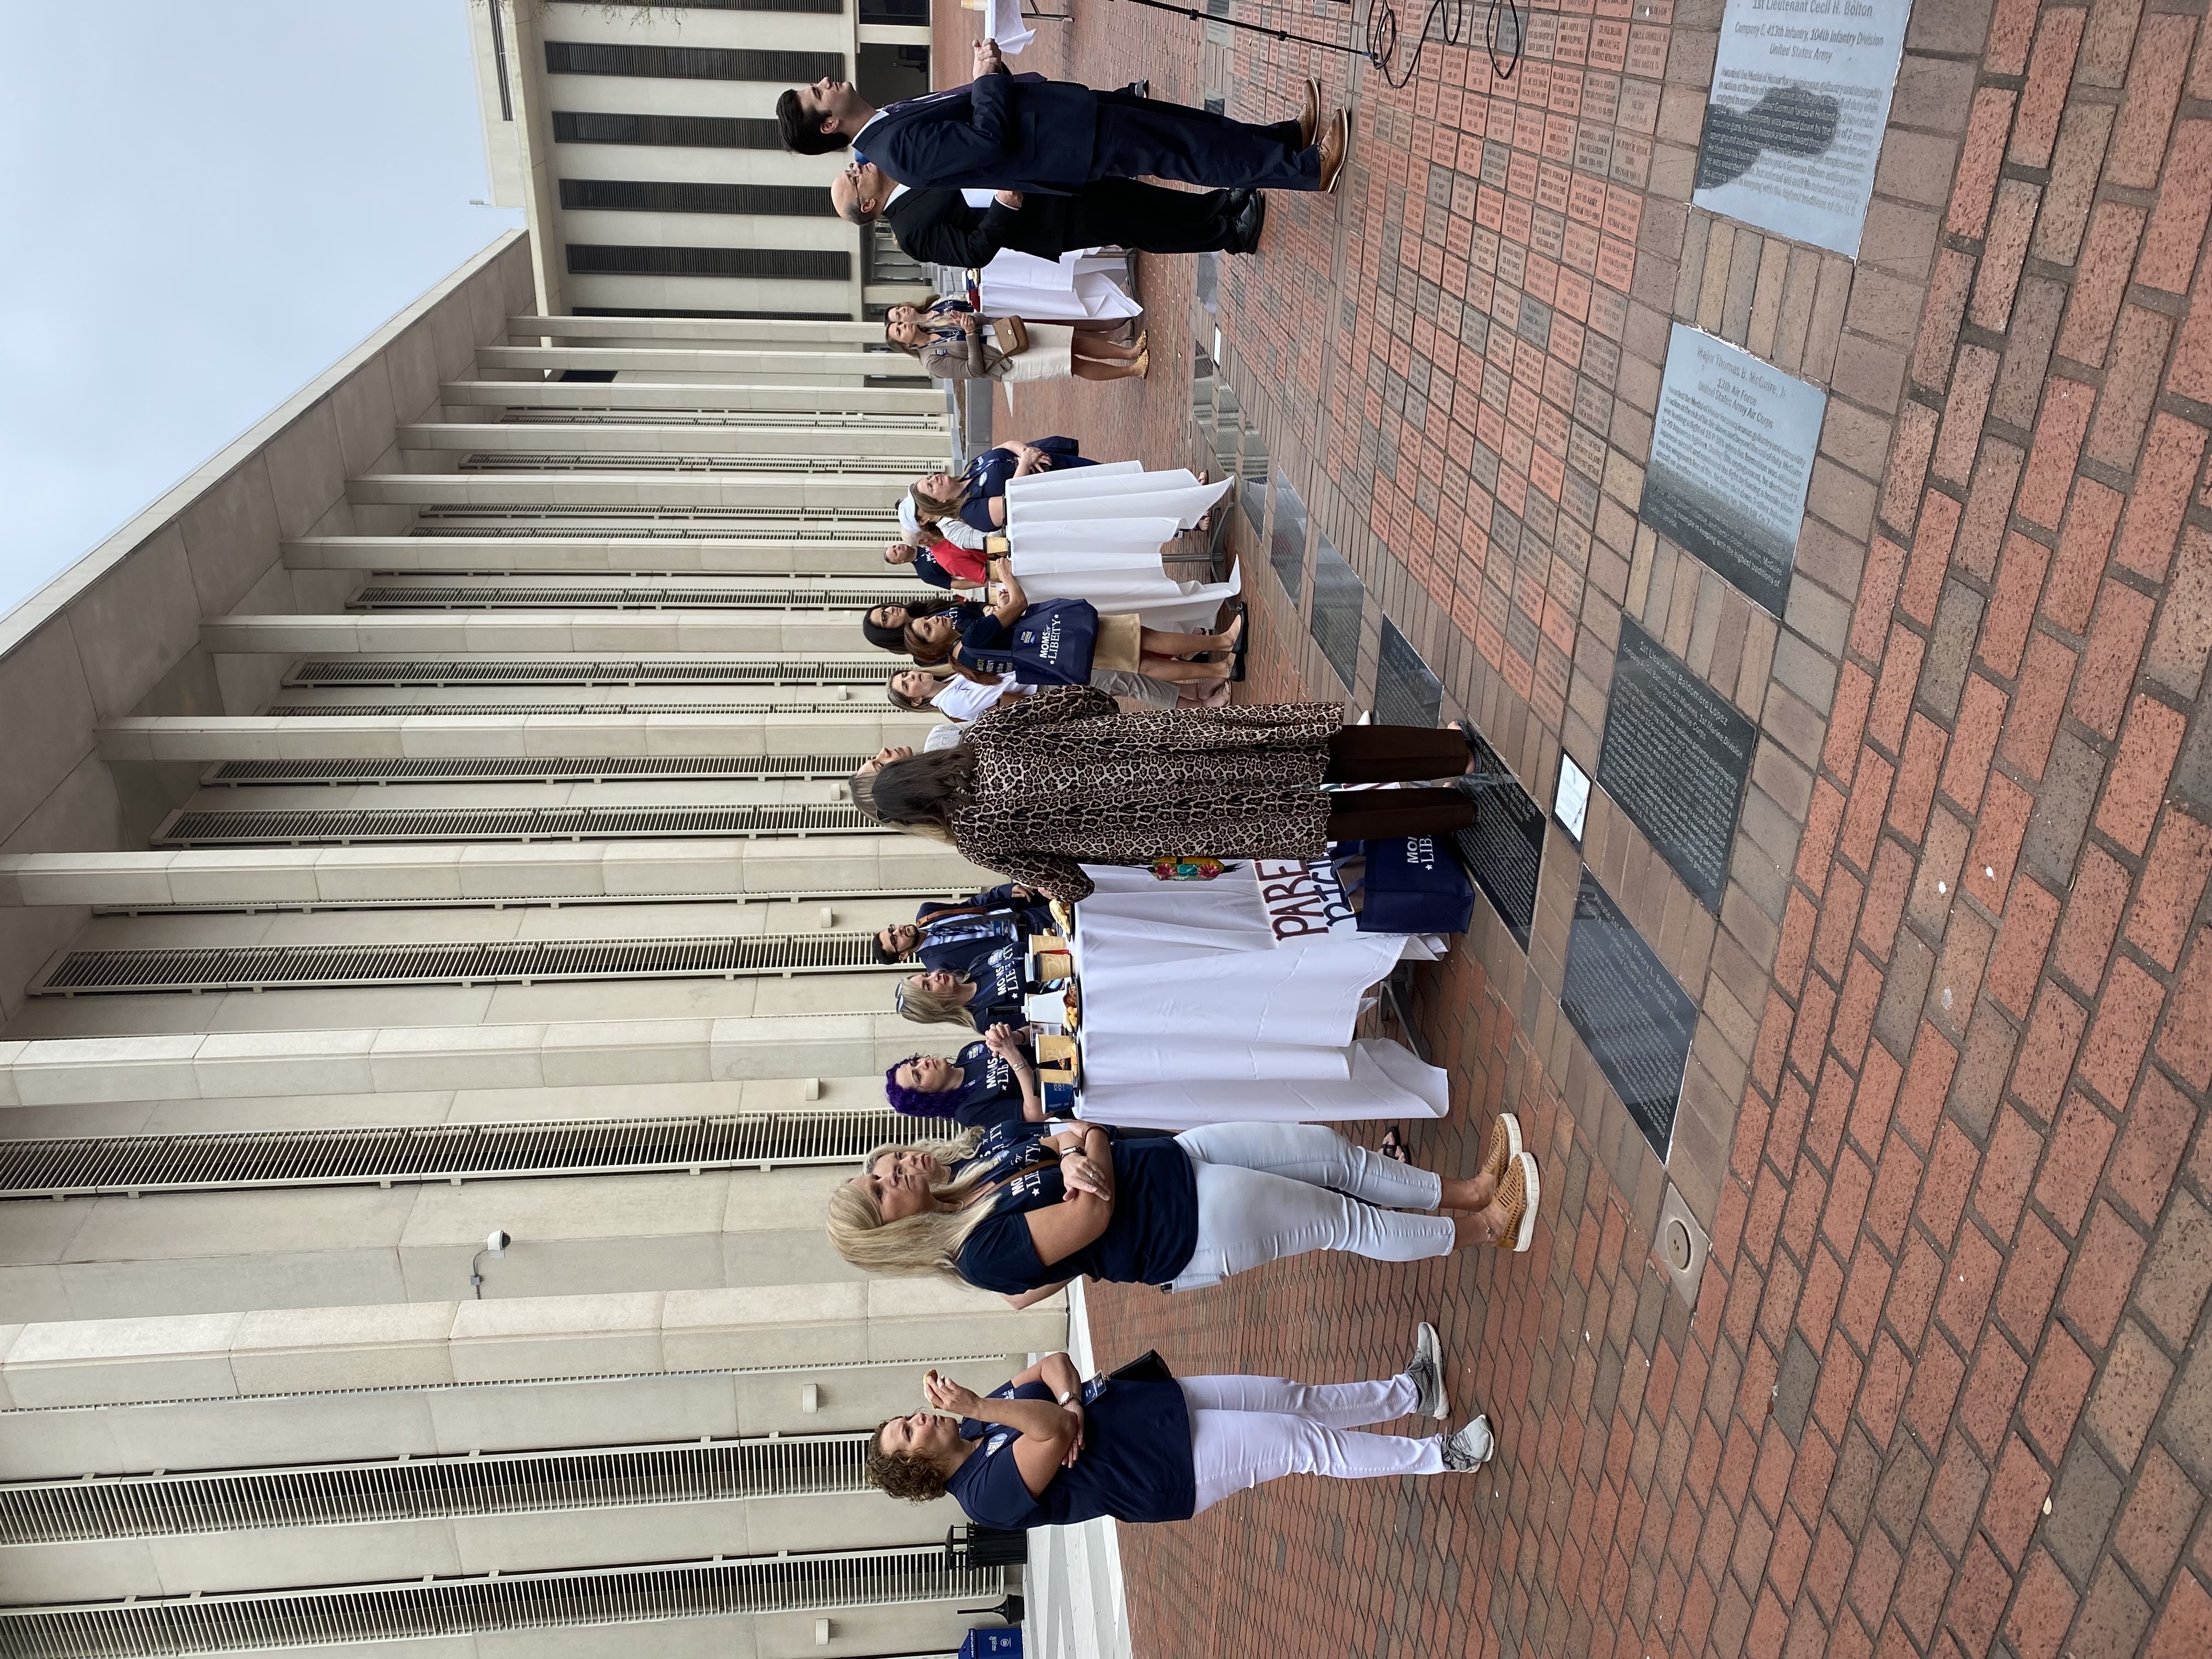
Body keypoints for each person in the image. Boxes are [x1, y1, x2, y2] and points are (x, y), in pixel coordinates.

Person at [827, 1115, 1542, 1308]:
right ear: (892, 1234)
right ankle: (1486, 1230)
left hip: (1177, 1158)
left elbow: (1066, 1133)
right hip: (1188, 1225)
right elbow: (1090, 1217)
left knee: (1334, 1156)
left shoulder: (974, 1171)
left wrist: (1081, 1150)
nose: (893, 1171)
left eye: (881, 1168)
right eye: (881, 1191)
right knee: (1342, 1220)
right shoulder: (978, 1257)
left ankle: (1471, 1191)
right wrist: (1086, 1150)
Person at [849, 689, 1487, 904]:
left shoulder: (977, 840)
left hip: (1171, 823)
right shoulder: (986, 734)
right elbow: (1086, 700)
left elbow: (1073, 885)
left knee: (1314, 817)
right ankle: (1449, 754)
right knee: (1321, 751)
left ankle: (1451, 811)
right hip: (1171, 749)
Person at [866, 1336, 1495, 1528]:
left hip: (1148, 1407)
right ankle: (1443, 1456)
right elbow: (1053, 1434)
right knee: (1302, 1444)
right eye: (909, 1433)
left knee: (1292, 1398)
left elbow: (1054, 1367)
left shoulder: (976, 1424)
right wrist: (998, 1404)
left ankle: (1412, 1392)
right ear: (919, 1469)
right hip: (1163, 1468)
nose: (920, 1419)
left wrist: (1070, 1400)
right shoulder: (983, 1497)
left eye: (907, 1418)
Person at [779, 43, 1348, 195]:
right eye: (817, 94)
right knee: (1186, 151)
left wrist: (990, 73)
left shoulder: (887, 120)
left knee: (1187, 126)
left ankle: (1284, 140)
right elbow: (985, 139)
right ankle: (1305, 171)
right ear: (827, 125)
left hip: (1063, 117)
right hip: (1066, 144)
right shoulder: (896, 152)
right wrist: (986, 77)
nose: (826, 82)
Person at [840, 165, 1267, 264]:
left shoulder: (907, 170)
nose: (857, 169)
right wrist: (1004, 207)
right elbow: (973, 252)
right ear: (867, 206)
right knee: (1140, 227)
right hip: (1044, 220)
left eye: (851, 169)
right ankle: (1231, 236)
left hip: (1044, 180)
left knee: (1136, 195)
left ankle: (1219, 205)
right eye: (853, 179)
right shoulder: (910, 232)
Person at [901, 573, 1242, 691]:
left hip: (1064, 654)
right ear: (933, 648)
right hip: (1065, 636)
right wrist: (1005, 575)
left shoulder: (966, 661)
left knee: (1144, 665)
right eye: (929, 629)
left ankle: (1220, 669)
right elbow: (1019, 603)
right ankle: (1224, 643)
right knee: (1145, 639)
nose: (937, 620)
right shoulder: (971, 639)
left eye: (928, 620)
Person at [884, 296, 1147, 384]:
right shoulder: (931, 362)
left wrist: (968, 321)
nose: (903, 325)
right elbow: (973, 371)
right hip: (1005, 362)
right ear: (906, 345)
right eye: (899, 330)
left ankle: (1129, 353)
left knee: (1072, 340)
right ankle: (1132, 370)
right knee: (1071, 363)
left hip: (1005, 334)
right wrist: (971, 335)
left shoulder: (934, 324)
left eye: (900, 323)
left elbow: (978, 321)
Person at [911, 436, 1093, 535]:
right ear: (940, 503)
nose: (935, 479)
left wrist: (1026, 453)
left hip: (1056, 463)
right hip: (1057, 490)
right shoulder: (971, 512)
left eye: (930, 478)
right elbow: (1011, 500)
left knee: (1104, 471)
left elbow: (1006, 446)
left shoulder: (970, 469)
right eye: (931, 486)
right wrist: (1026, 462)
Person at [884, 1023, 1044, 1128]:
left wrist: (1015, 1036)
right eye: (918, 1076)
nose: (923, 1063)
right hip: (1057, 1087)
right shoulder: (967, 1112)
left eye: (915, 1062)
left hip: (1056, 1047)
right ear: (928, 1098)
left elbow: (1039, 1030)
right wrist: (1011, 1054)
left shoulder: (967, 1053)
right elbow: (1037, 1114)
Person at [874, 881, 1054, 967]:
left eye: (892, 929)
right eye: (894, 940)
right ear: (903, 955)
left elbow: (971, 906)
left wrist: (1005, 891)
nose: (898, 931)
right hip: (1030, 944)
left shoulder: (927, 912)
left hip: (1025, 912)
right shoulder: (939, 966)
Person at [894, 948, 1024, 1031]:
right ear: (933, 1006)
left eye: (927, 975)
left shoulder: (977, 964)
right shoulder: (984, 1019)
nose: (935, 975)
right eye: (928, 986)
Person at [862, 593, 981, 654]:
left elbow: (968, 606)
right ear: (888, 634)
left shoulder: (925, 607)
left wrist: (985, 609)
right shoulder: (924, 654)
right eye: (885, 617)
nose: (890, 609)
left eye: (885, 608)